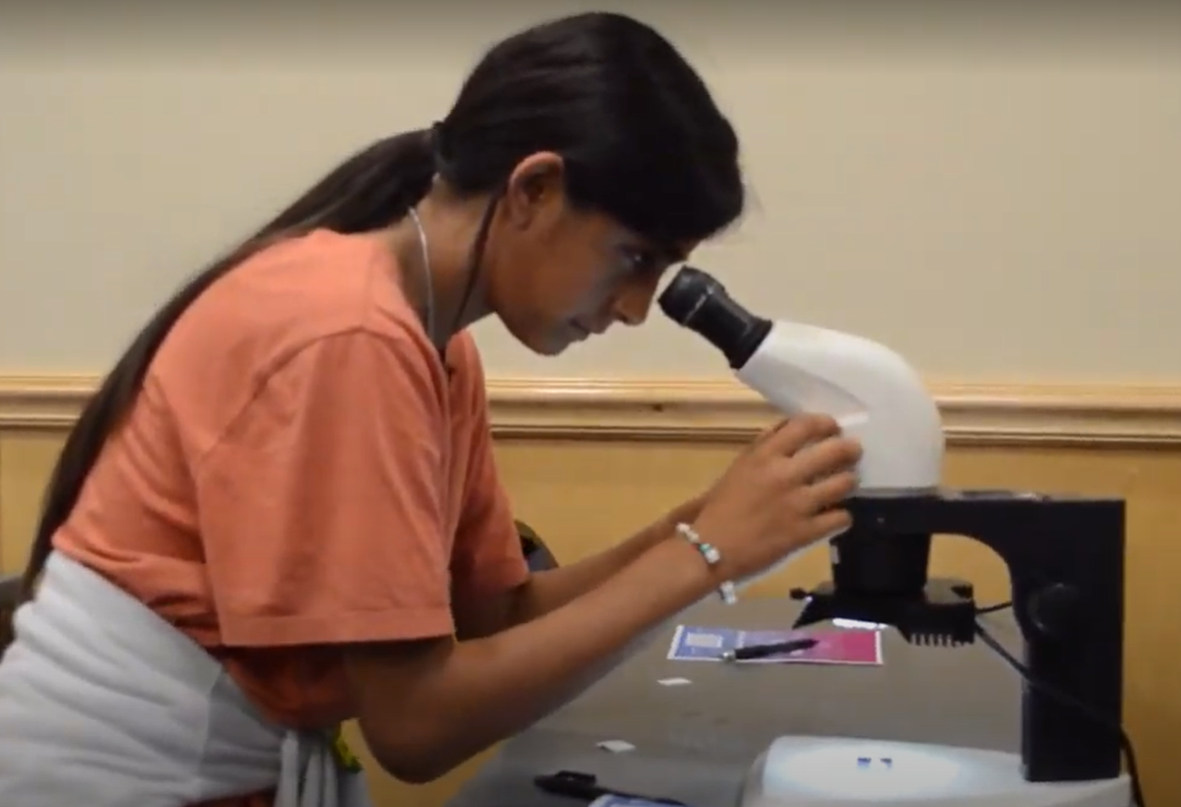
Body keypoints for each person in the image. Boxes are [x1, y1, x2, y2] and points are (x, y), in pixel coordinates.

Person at [0, 11, 861, 807]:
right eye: (631, 256)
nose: (634, 307)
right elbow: (415, 727)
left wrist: (696, 527)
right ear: (532, 190)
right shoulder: (346, 332)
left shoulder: (433, 345)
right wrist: (703, 558)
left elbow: (498, 618)